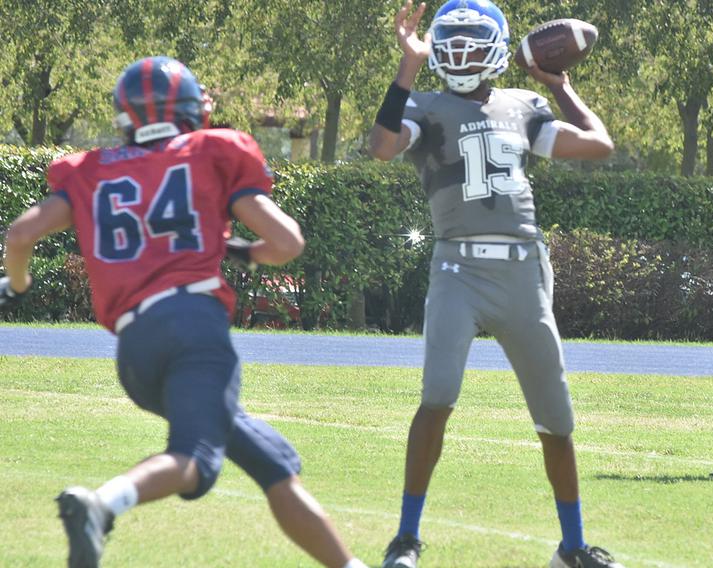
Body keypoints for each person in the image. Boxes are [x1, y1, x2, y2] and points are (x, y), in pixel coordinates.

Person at [0, 56, 367, 568]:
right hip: (193, 328)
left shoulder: (92, 170)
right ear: (193, 110)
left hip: (134, 352)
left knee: (271, 463)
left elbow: (19, 234)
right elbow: (287, 242)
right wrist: (240, 249)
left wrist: (16, 287)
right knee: (194, 459)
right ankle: (103, 504)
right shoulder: (210, 152)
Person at [368, 2, 622, 567]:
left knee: (556, 420)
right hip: (458, 266)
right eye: (449, 42)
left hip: (523, 269)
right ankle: (405, 540)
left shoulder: (523, 104)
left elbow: (599, 146)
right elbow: (381, 147)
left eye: (470, 40)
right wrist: (407, 66)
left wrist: (559, 86)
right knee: (436, 397)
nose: (459, 52)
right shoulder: (425, 106)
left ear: (498, 46)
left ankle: (573, 548)